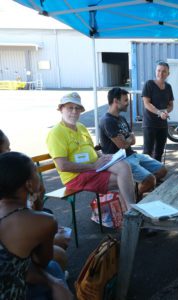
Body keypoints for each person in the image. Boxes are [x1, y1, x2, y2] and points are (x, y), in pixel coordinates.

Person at [0, 152, 72, 299]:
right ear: (29, 184)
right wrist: (53, 237)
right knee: (54, 269)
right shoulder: (44, 221)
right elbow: (42, 261)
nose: (38, 175)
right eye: (35, 171)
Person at [46, 92, 136, 207]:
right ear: (61, 109)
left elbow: (90, 150)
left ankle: (129, 212)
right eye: (70, 108)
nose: (74, 111)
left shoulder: (81, 127)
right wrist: (93, 166)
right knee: (124, 180)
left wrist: (102, 156)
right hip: (76, 176)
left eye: (77, 108)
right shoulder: (56, 133)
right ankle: (131, 211)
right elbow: (62, 166)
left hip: (94, 168)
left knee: (124, 166)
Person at [0, 130, 69, 272]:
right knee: (57, 261)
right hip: (14, 286)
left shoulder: (6, 198)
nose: (10, 151)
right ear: (29, 184)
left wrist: (38, 206)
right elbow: (42, 260)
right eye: (7, 149)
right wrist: (49, 235)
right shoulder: (47, 221)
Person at [100, 88, 167, 199]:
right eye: (125, 100)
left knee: (162, 170)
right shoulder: (107, 121)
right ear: (116, 101)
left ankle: (141, 186)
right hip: (120, 160)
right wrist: (127, 140)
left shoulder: (121, 118)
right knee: (150, 179)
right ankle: (134, 198)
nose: (128, 104)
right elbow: (122, 145)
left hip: (132, 154)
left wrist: (127, 140)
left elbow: (133, 140)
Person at [142, 61, 174, 162]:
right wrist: (159, 113)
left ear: (168, 74)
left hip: (163, 125)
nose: (161, 73)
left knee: (159, 152)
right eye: (158, 70)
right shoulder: (149, 84)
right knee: (148, 152)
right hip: (149, 124)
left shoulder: (168, 87)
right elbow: (147, 103)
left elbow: (170, 105)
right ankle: (147, 177)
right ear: (155, 71)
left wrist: (165, 111)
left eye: (164, 71)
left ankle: (157, 176)